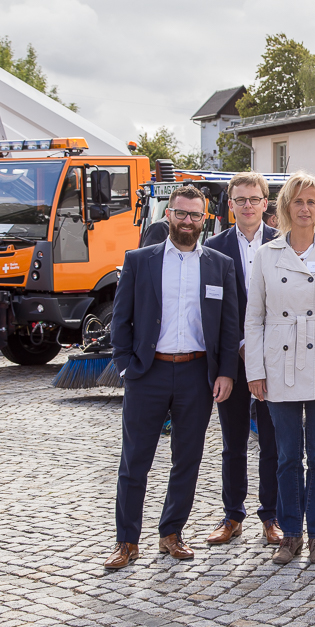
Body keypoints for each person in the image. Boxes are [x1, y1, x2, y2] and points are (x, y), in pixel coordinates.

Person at [103, 185, 239, 569]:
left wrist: (226, 372)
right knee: (135, 460)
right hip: (149, 372)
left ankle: (171, 534)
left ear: (205, 219)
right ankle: (126, 541)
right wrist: (127, 366)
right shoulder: (139, 260)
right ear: (168, 215)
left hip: (197, 373)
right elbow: (120, 319)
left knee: (188, 459)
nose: (188, 221)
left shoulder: (219, 265)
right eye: (181, 213)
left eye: (195, 215)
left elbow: (229, 327)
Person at [244, 171, 315, 566]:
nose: (305, 209)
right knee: (288, 455)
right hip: (280, 363)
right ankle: (290, 533)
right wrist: (255, 370)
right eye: (298, 201)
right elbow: (254, 316)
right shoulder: (267, 254)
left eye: (312, 202)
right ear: (285, 207)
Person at [203, 172, 282, 546]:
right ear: (230, 204)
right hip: (232, 362)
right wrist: (235, 346)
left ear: (266, 204)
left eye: (254, 199)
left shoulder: (283, 245)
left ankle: (272, 516)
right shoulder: (213, 248)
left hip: (274, 360)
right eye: (240, 200)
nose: (247, 206)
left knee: (272, 441)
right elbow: (211, 308)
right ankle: (233, 515)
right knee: (233, 442)